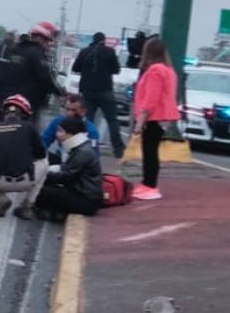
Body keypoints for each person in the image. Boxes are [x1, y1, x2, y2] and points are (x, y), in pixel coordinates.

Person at [0, 94, 49, 220]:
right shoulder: (29, 128)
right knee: (45, 162)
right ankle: (27, 206)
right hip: (25, 181)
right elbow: (40, 154)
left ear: (3, 113)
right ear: (25, 115)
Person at [131, 37, 178, 201]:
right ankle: (148, 184)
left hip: (153, 116)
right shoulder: (169, 70)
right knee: (151, 151)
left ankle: (149, 185)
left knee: (149, 152)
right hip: (163, 117)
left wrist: (140, 120)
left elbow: (151, 98)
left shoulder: (155, 70)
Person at [34, 116, 103, 220]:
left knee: (41, 191)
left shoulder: (82, 152)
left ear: (71, 134)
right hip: (79, 192)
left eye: (61, 131)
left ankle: (57, 212)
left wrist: (43, 174)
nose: (57, 134)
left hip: (86, 200)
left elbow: (67, 176)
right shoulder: (80, 148)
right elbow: (66, 169)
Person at [72, 32, 125, 159]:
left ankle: (85, 144)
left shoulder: (84, 51)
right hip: (105, 89)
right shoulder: (109, 51)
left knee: (88, 119)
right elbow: (116, 70)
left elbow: (76, 68)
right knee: (112, 119)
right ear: (104, 40)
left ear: (93, 40)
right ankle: (118, 149)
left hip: (87, 90)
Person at [2, 23, 63, 125]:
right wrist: (60, 92)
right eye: (48, 41)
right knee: (29, 133)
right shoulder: (38, 53)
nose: (49, 45)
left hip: (8, 97)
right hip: (29, 100)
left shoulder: (14, 49)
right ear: (40, 38)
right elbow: (45, 77)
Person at [41, 94, 101, 161]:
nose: (69, 113)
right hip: (61, 158)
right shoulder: (57, 122)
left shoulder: (91, 131)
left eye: (74, 110)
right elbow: (43, 142)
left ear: (83, 112)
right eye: (67, 109)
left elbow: (94, 157)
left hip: (79, 163)